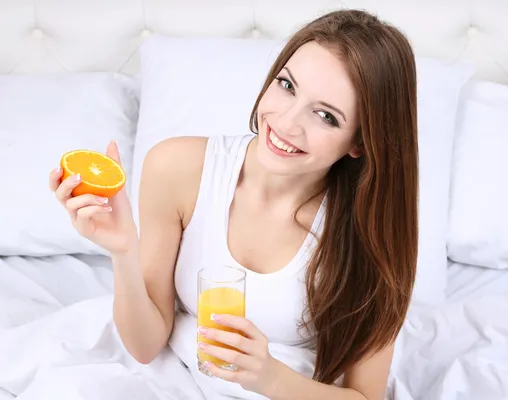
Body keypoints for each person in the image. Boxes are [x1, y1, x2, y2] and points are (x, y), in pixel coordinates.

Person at [49, 8, 419, 400]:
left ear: (361, 142)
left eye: (326, 116)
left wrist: (268, 377)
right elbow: (145, 346)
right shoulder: (177, 168)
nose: (286, 122)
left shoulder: (371, 230)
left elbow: (366, 396)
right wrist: (123, 250)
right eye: (287, 85)